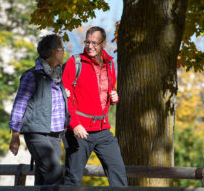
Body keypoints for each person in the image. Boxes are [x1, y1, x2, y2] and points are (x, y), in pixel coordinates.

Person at [62, 26, 128, 186]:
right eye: (87, 42)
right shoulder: (74, 62)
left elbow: (107, 93)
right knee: (73, 179)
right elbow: (64, 98)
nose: (89, 46)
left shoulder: (110, 65)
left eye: (94, 43)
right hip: (79, 132)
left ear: (103, 44)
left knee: (118, 174)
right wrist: (74, 124)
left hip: (103, 131)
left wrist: (114, 97)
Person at [8, 34, 70, 185]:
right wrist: (15, 135)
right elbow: (19, 105)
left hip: (55, 134)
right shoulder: (32, 75)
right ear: (54, 52)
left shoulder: (59, 76)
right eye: (62, 48)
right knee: (54, 173)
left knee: (44, 178)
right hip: (36, 133)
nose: (64, 52)